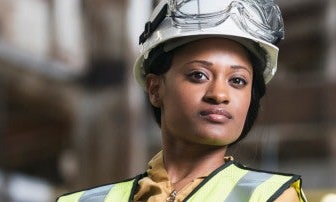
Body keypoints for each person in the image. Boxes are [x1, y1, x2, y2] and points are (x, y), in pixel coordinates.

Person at [57, 0, 307, 201]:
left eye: (238, 81)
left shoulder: (270, 196)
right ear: (155, 89)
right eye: (198, 75)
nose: (219, 94)